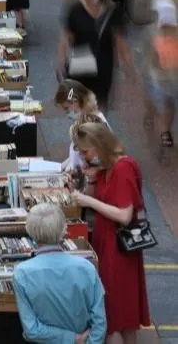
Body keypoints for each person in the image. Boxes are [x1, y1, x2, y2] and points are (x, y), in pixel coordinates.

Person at [71, 123, 151, 343]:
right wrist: (92, 180)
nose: (84, 156)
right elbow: (97, 194)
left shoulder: (123, 168)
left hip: (119, 249)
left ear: (98, 145)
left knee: (114, 315)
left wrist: (90, 201)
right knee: (120, 315)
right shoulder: (107, 166)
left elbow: (125, 215)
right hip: (106, 242)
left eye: (86, 151)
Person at [13, 203, 106, 344]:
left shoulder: (22, 273)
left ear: (29, 231)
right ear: (64, 230)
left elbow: (31, 330)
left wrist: (72, 339)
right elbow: (99, 322)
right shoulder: (86, 268)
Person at [56, 0, 134, 111]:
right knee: (81, 110)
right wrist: (61, 63)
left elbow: (120, 42)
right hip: (80, 68)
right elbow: (66, 38)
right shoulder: (75, 10)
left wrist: (129, 69)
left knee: (99, 109)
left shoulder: (112, 12)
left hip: (102, 70)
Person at [143, 0, 178, 147]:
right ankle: (151, 114)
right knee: (159, 103)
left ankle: (165, 131)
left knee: (169, 106)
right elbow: (149, 59)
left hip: (172, 80)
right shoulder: (153, 35)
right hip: (157, 78)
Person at [54, 79, 110, 172]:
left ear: (75, 101)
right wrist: (60, 168)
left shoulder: (95, 125)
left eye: (67, 108)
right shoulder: (83, 121)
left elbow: (93, 162)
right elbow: (75, 156)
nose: (67, 113)